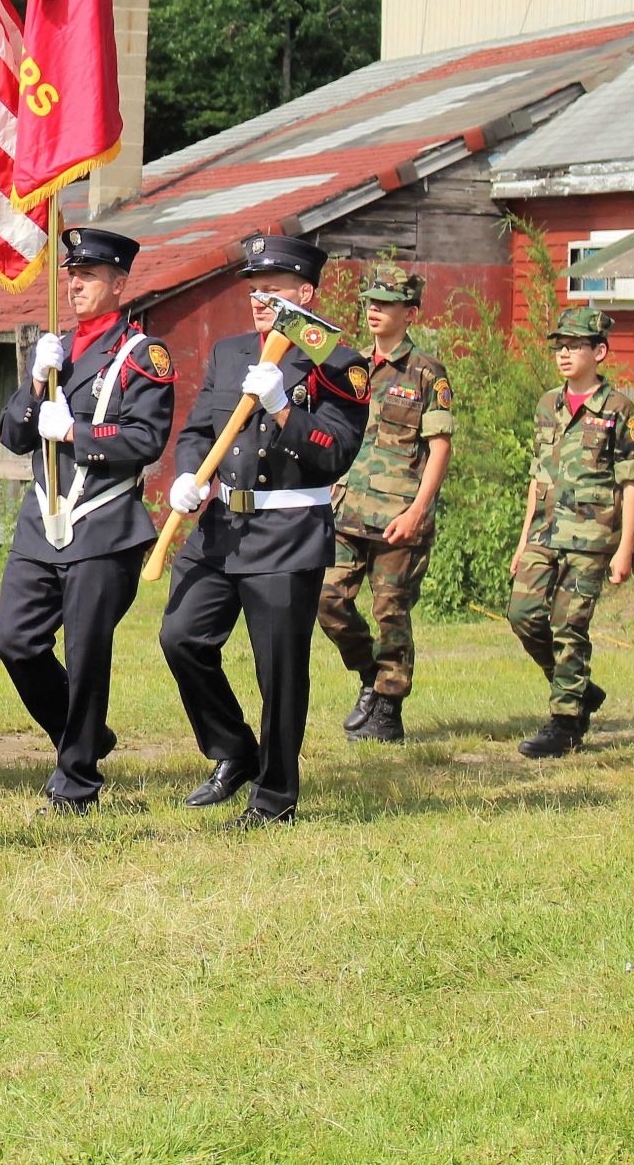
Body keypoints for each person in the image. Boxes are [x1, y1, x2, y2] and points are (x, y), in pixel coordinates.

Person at [159, 233, 368, 827]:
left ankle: (275, 797)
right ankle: (233, 751)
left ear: (304, 292)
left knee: (278, 670)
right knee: (182, 637)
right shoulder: (230, 353)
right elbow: (201, 430)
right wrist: (186, 477)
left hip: (286, 530)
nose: (259, 300)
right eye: (254, 290)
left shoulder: (338, 362)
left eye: (272, 290)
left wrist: (283, 409)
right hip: (222, 526)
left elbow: (336, 453)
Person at [0, 225, 173, 812]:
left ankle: (76, 782)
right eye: (71, 275)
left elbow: (146, 439)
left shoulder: (143, 355)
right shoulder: (57, 349)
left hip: (103, 524)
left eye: (89, 275)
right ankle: (85, 735)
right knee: (15, 641)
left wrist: (76, 431)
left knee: (88, 652)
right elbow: (12, 435)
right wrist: (34, 385)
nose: (74, 284)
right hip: (42, 524)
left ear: (119, 283)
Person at [317, 263, 455, 746]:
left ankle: (389, 707)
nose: (375, 310)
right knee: (328, 600)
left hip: (399, 515)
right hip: (348, 508)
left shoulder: (426, 372)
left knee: (390, 610)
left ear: (410, 312)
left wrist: (417, 511)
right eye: (371, 302)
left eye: (387, 304)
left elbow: (439, 446)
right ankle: (371, 676)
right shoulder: (352, 366)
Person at [506, 306, 634, 759]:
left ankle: (566, 722)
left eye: (574, 346)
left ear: (599, 351)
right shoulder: (548, 405)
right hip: (545, 531)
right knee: (522, 613)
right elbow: (537, 476)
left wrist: (625, 548)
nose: (564, 354)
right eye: (559, 346)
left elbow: (630, 482)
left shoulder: (619, 410)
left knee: (570, 625)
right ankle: (579, 688)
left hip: (590, 537)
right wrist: (524, 538)